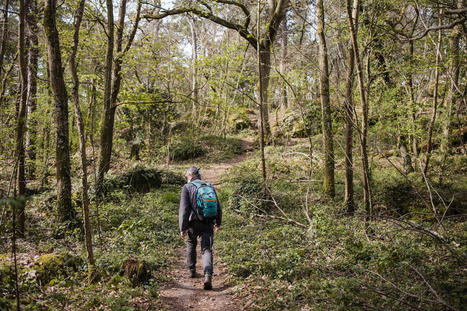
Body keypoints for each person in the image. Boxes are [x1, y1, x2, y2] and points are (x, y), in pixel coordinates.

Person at [179, 166, 222, 290]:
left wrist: (183, 227)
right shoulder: (209, 186)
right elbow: (218, 206)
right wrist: (217, 222)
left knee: (191, 243)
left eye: (187, 176)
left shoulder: (187, 187)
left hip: (193, 224)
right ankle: (208, 275)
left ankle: (192, 270)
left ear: (190, 176)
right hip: (208, 222)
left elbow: (184, 209)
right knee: (206, 249)